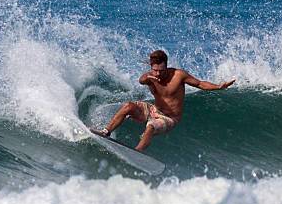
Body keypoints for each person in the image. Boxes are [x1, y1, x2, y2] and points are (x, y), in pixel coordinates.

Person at [94, 50, 235, 151]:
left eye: (161, 70)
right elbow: (141, 80)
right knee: (128, 106)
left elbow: (199, 84)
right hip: (154, 110)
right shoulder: (151, 76)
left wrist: (218, 87)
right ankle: (106, 131)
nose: (157, 73)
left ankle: (137, 152)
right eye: (154, 70)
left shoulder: (179, 75)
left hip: (170, 117)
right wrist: (148, 78)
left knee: (151, 127)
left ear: (166, 66)